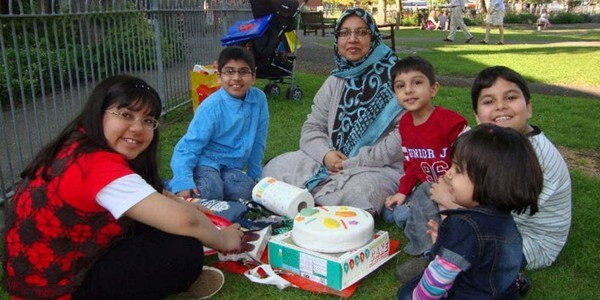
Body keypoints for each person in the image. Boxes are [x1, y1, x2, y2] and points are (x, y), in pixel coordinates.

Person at [2, 75, 252, 299]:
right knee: (183, 249)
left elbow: (153, 194)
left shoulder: (79, 143)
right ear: (99, 112)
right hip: (60, 288)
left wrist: (187, 206)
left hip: (50, 269)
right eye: (126, 114)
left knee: (162, 220)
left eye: (148, 120)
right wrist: (224, 239)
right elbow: (187, 222)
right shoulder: (97, 167)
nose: (137, 128)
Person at [262, 7, 404, 215]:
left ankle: (305, 200)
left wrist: (356, 161)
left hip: (375, 167)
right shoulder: (335, 80)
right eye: (344, 33)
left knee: (364, 193)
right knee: (274, 168)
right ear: (337, 40)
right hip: (328, 161)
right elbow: (312, 128)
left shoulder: (397, 78)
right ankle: (326, 202)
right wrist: (326, 154)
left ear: (373, 37)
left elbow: (405, 135)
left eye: (361, 32)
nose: (352, 39)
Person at [397, 123, 544, 299]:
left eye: (458, 170)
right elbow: (496, 259)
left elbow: (438, 279)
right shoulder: (505, 219)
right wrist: (444, 241)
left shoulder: (463, 225)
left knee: (406, 293)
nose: (448, 173)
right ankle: (518, 284)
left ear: (488, 183)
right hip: (501, 291)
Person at [470, 66, 572, 270]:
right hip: (511, 225)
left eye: (510, 98)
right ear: (478, 117)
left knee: (466, 243)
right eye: (489, 101)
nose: (500, 106)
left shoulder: (533, 155)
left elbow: (503, 211)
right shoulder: (504, 143)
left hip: (534, 242)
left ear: (529, 107)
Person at [381, 56, 468, 249]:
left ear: (433, 88)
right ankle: (416, 211)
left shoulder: (450, 121)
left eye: (417, 82)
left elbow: (469, 161)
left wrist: (451, 190)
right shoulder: (405, 124)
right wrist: (403, 192)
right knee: (390, 212)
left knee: (408, 216)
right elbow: (412, 164)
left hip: (455, 192)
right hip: (429, 189)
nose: (409, 90)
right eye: (400, 86)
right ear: (395, 94)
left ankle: (433, 246)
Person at [168, 46, 269, 201]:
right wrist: (183, 181)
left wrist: (255, 176)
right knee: (209, 191)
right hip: (206, 162)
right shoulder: (211, 107)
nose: (236, 78)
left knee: (249, 191)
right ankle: (173, 185)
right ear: (219, 77)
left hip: (231, 167)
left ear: (253, 77)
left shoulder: (259, 99)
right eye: (229, 71)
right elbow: (188, 146)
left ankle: (218, 185)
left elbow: (258, 141)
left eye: (243, 71)